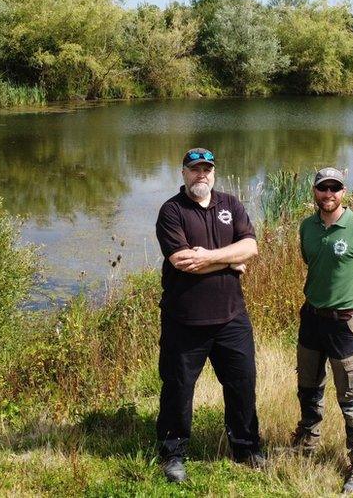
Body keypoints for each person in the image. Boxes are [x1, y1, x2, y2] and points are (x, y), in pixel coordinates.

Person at [154, 147, 264, 483]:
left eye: (207, 169)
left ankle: (245, 448)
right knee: (178, 388)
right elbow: (183, 261)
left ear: (214, 172)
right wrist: (231, 261)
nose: (201, 175)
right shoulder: (172, 211)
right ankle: (172, 455)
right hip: (185, 322)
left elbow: (252, 247)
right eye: (194, 170)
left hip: (232, 318)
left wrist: (213, 256)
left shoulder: (230, 204)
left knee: (242, 384)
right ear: (183, 173)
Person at [291, 167, 353, 494]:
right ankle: (307, 442)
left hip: (345, 324)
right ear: (314, 191)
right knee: (308, 388)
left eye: (335, 188)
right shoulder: (307, 228)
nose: (328, 194)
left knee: (352, 397)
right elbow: (311, 261)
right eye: (322, 188)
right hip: (312, 319)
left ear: (343, 192)